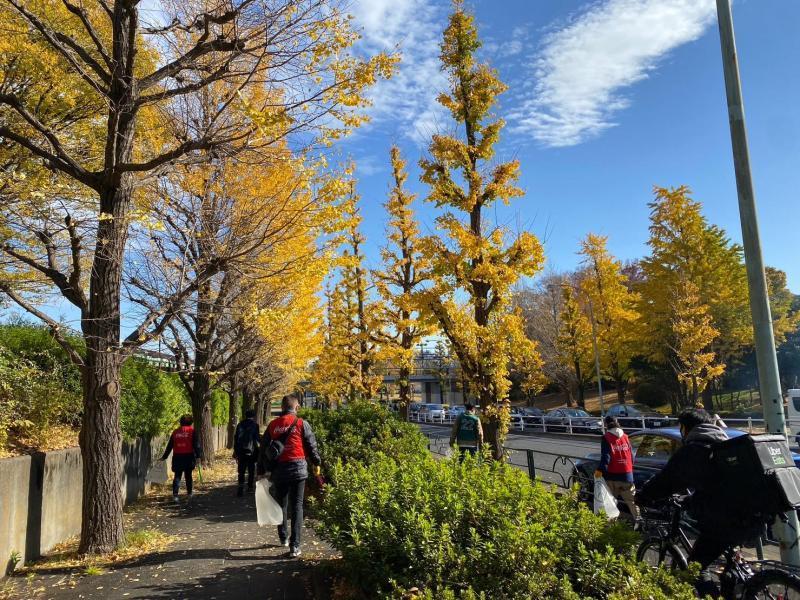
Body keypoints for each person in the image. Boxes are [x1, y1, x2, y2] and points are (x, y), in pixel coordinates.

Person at [636, 408, 733, 596]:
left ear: (685, 428)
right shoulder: (725, 444)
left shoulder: (696, 449)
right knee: (729, 566)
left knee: (696, 568)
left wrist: (643, 496)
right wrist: (690, 500)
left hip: (726, 519)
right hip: (752, 514)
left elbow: (668, 479)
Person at [257, 394, 321, 558]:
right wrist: (316, 462)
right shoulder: (301, 423)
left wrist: (261, 471)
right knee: (297, 506)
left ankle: (283, 537)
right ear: (296, 407)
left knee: (282, 505)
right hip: (298, 468)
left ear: (282, 407)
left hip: (279, 470)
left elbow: (263, 449)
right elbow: (311, 445)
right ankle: (295, 545)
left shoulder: (273, 425)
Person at [595, 416, 640, 524]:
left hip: (612, 476)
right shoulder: (625, 436)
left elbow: (606, 457)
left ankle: (611, 525)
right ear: (617, 423)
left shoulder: (606, 437)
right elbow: (631, 456)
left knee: (611, 502)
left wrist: (600, 470)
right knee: (632, 502)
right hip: (627, 475)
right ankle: (639, 523)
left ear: (606, 425)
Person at [161, 414, 202, 503]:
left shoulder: (175, 432)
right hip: (188, 456)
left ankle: (175, 495)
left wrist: (164, 456)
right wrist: (198, 456)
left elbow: (170, 445)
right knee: (188, 475)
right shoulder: (192, 431)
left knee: (177, 476)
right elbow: (196, 445)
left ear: (181, 422)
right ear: (191, 422)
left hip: (177, 457)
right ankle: (189, 494)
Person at [233, 408, 261, 497]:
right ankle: (250, 487)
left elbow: (236, 438)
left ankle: (240, 488)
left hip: (241, 451)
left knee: (241, 470)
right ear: (253, 416)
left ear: (245, 415)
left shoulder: (240, 425)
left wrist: (235, 451)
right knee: (251, 470)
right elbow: (257, 439)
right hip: (251, 451)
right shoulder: (255, 425)